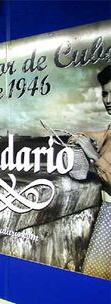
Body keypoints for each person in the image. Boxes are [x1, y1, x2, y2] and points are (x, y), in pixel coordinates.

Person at [73, 65, 111, 279]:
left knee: (96, 274)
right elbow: (103, 134)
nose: (108, 100)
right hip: (106, 213)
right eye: (105, 93)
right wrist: (82, 135)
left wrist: (92, 154)